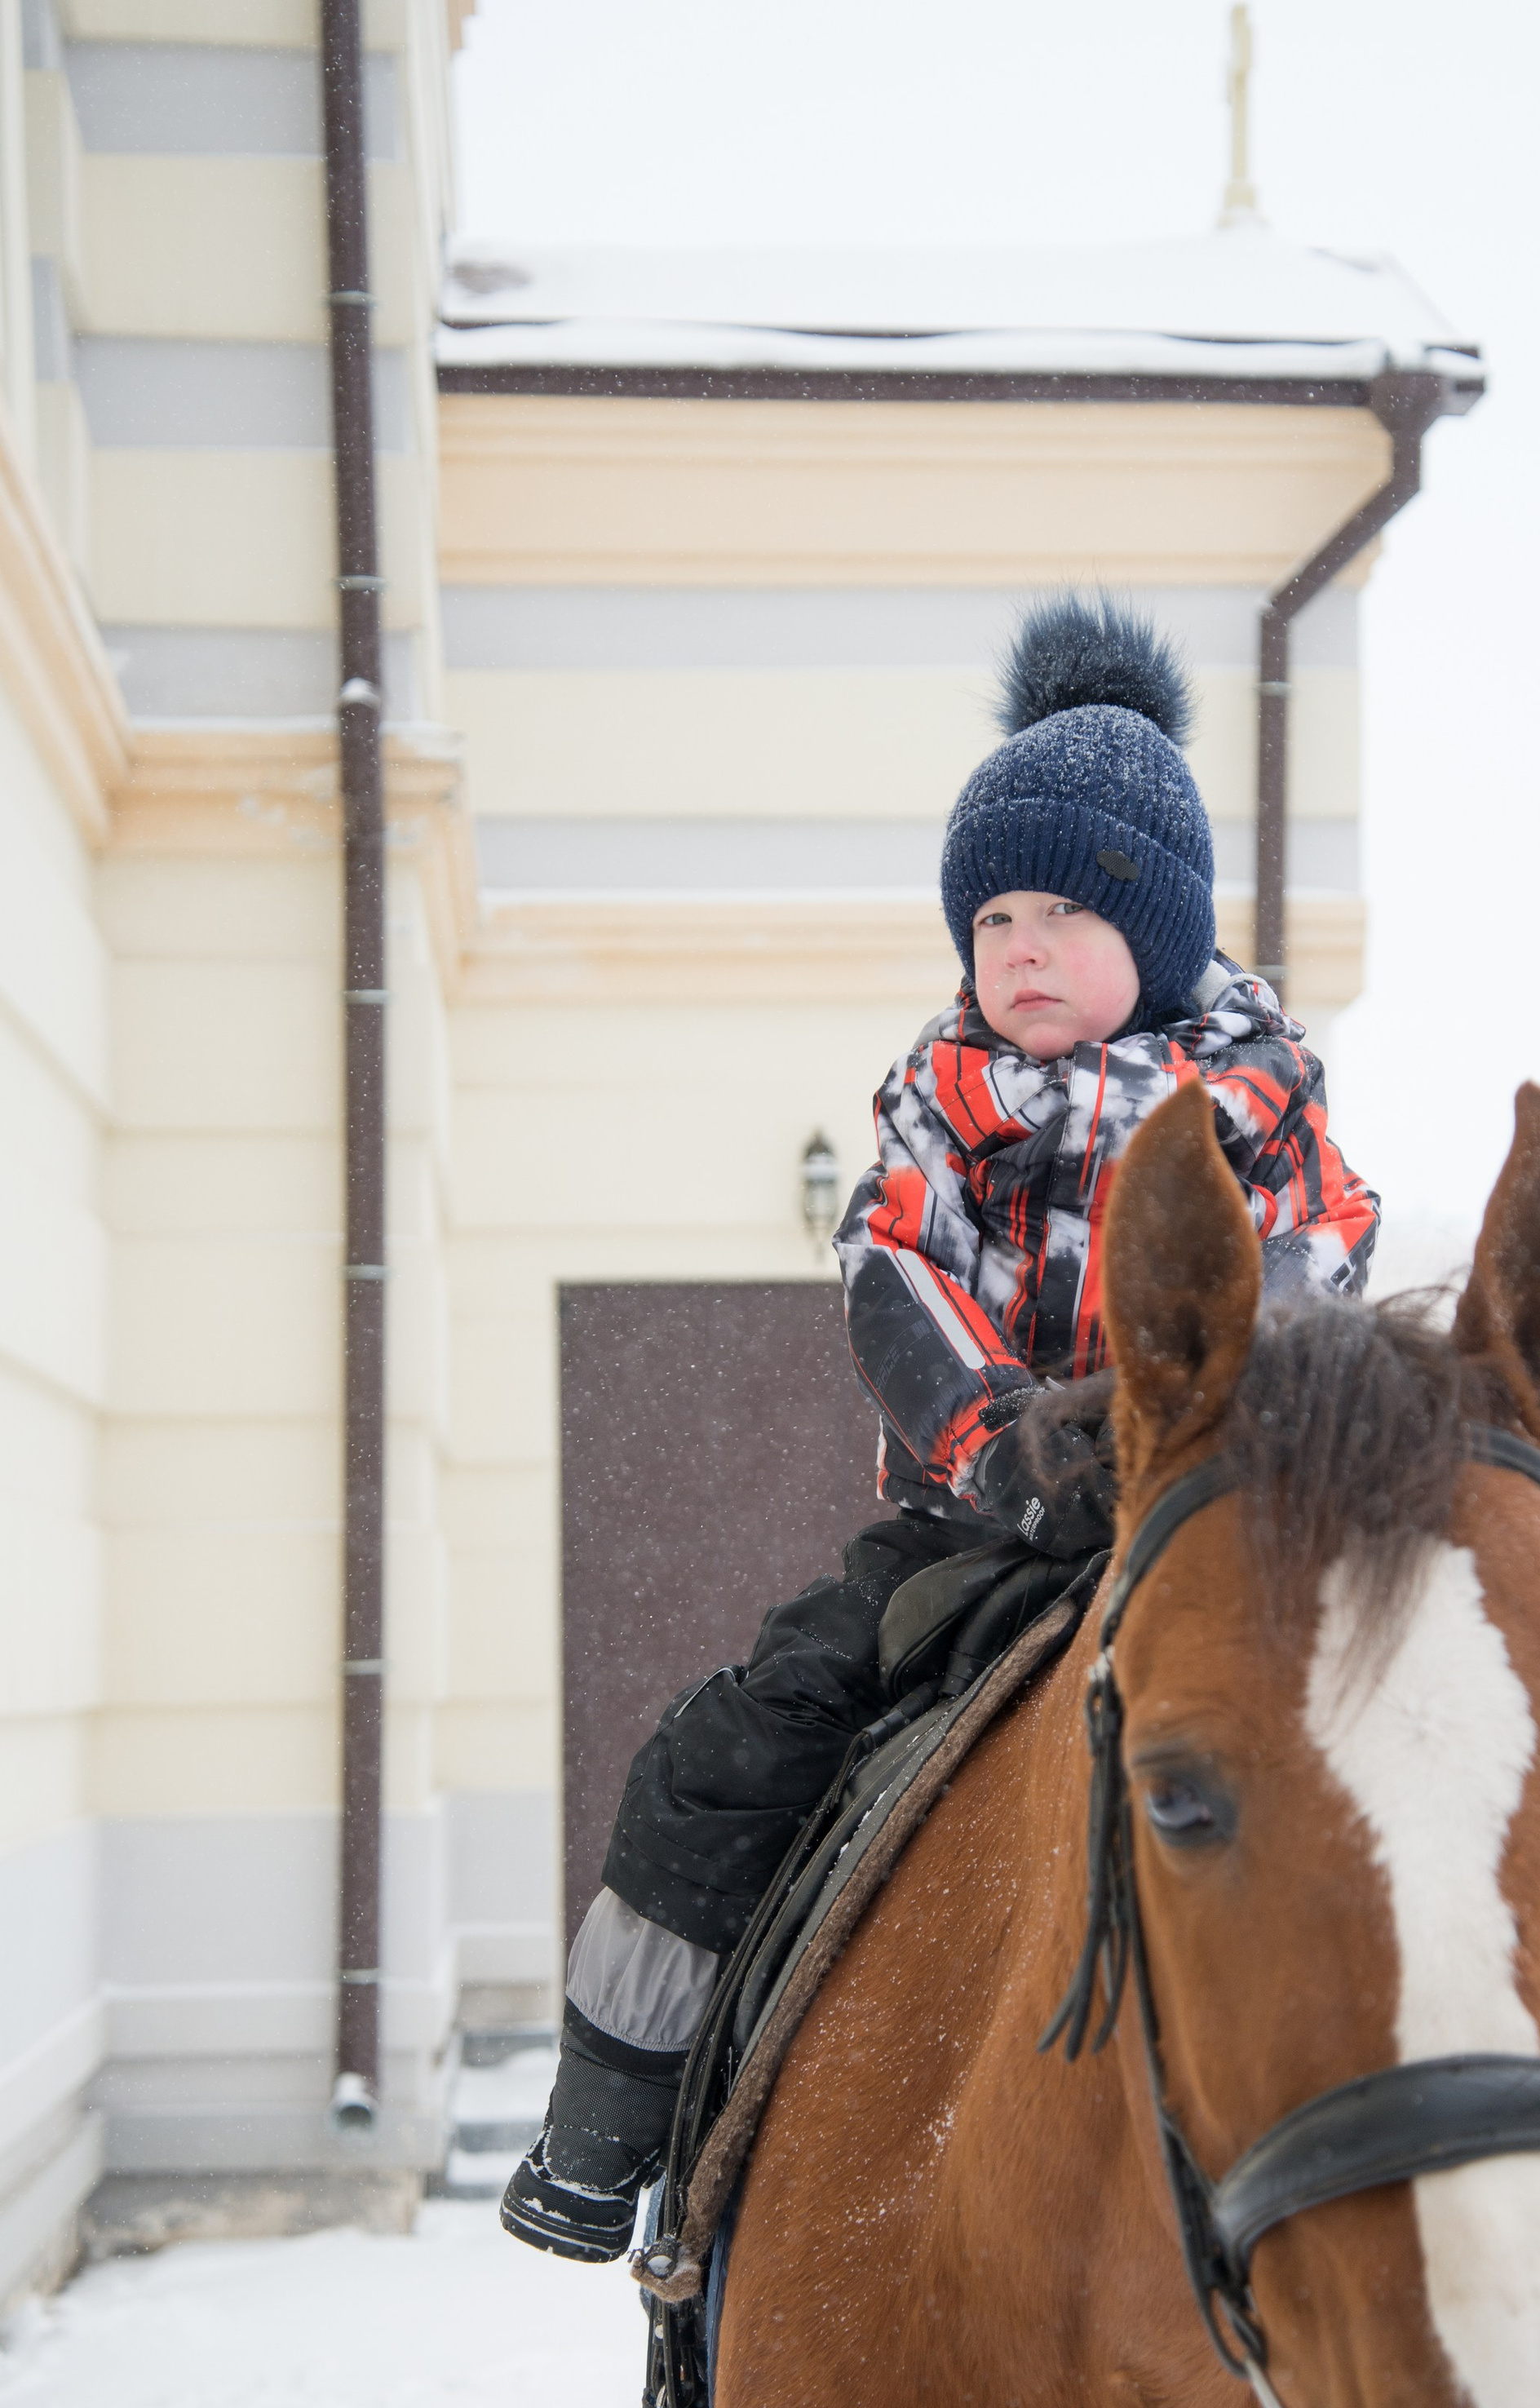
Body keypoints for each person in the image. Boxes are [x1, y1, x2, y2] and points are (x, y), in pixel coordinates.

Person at [501, 595, 1381, 2264]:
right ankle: (611, 2109)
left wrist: (1190, 1431)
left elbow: (1313, 1266)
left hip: (1212, 1517)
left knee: (1433, 1717)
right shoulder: (938, 1104)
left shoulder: (1260, 1097)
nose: (1019, 946)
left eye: (1062, 907)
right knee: (735, 1740)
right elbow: (894, 1274)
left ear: (1163, 931)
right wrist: (1007, 1447)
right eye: (990, 915)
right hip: (974, 1535)